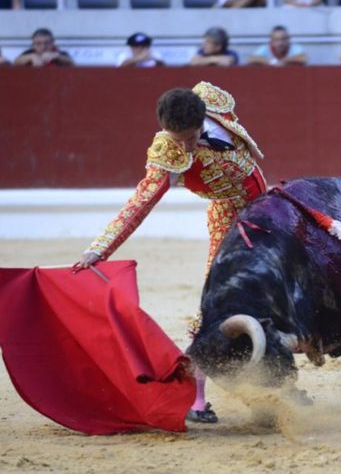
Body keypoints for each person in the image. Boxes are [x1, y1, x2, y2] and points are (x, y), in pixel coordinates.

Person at [75, 81, 267, 424]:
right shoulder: (167, 148)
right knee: (213, 301)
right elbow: (142, 200)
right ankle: (197, 400)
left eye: (191, 138)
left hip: (268, 209)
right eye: (177, 139)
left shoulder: (211, 98)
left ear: (202, 119)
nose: (185, 146)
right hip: (229, 221)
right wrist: (99, 248)